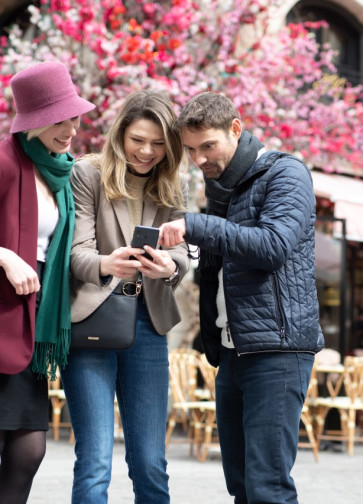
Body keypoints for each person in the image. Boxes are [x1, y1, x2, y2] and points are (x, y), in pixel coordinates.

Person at [159, 92, 324, 504]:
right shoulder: (222, 188)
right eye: (191, 150)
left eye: (207, 146)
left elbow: (273, 246)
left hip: (278, 350)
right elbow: (218, 270)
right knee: (242, 485)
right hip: (234, 351)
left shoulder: (287, 173)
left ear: (236, 128)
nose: (198, 159)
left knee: (267, 487)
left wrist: (195, 226)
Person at [60, 90, 190, 504]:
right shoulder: (88, 174)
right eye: (138, 139)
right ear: (120, 135)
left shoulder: (173, 183)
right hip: (91, 324)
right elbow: (75, 255)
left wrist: (171, 268)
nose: (147, 152)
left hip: (149, 325)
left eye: (157, 143)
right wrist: (106, 263)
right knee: (96, 460)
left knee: (151, 462)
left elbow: (181, 254)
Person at [0, 61, 95, 504]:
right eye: (60, 120)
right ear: (34, 120)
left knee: (29, 449)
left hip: (31, 323)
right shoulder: (3, 161)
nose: (71, 129)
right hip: (1, 314)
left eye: (74, 117)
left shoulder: (60, 173)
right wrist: (3, 256)